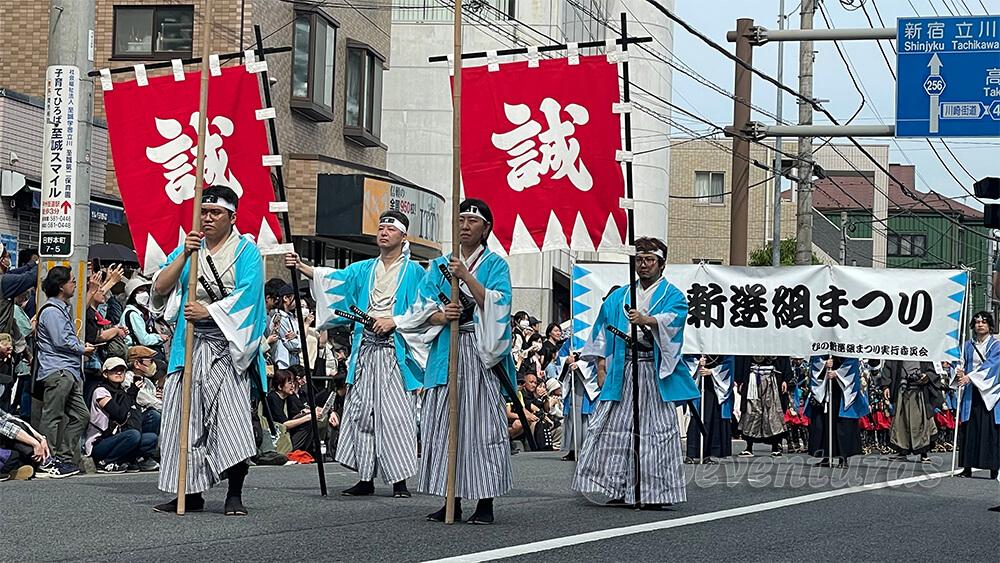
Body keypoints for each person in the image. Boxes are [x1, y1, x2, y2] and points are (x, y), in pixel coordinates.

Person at [288, 209, 426, 498]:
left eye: (390, 228)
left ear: (403, 236)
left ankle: (399, 478)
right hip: (365, 348)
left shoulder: (415, 272)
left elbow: (422, 309)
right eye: (381, 228)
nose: (384, 232)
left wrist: (395, 322)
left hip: (395, 350)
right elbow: (334, 279)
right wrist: (303, 267)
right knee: (363, 412)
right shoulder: (364, 269)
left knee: (395, 415)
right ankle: (365, 477)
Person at [149, 186, 267, 515]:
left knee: (231, 422)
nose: (209, 218)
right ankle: (190, 493)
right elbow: (159, 288)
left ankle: (234, 493)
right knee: (182, 421)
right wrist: (185, 255)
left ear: (232, 217)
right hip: (188, 345)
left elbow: (249, 298)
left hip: (228, 348)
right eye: (204, 212)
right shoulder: (190, 247)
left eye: (216, 213)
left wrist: (211, 312)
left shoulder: (247, 252)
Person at [398, 198, 514, 524]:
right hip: (446, 351)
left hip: (479, 351)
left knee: (481, 427)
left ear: (486, 228)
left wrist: (466, 277)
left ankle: (486, 501)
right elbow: (417, 312)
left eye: (472, 221)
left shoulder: (495, 265)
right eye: (461, 220)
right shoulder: (437, 266)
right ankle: (452, 498)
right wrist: (440, 315)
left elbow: (499, 306)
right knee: (446, 426)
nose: (464, 226)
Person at [572, 237, 699, 509]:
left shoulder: (672, 295)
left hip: (652, 371)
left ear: (661, 265)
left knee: (655, 430)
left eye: (649, 260)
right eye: (639, 260)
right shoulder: (619, 296)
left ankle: (654, 491)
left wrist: (648, 320)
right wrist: (600, 366)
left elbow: (675, 320)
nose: (643, 265)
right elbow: (600, 333)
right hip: (624, 369)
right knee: (616, 429)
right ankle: (617, 487)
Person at [36, 266, 94, 471]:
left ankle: (64, 457)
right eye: (71, 281)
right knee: (52, 416)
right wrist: (82, 349)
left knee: (82, 415)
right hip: (58, 370)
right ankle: (46, 460)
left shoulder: (62, 309)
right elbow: (61, 340)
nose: (75, 284)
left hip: (67, 371)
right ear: (61, 286)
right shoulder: (52, 312)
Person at [84, 357, 159, 473]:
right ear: (105, 373)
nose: (119, 373)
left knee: (151, 435)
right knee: (133, 435)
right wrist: (132, 392)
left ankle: (131, 460)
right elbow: (119, 414)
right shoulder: (100, 391)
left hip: (120, 435)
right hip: (101, 442)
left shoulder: (123, 391)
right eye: (114, 370)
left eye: (122, 370)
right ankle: (106, 462)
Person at [955, 311, 1000, 480]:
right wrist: (959, 372)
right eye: (977, 322)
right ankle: (967, 466)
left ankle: (993, 468)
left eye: (984, 322)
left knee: (990, 429)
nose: (980, 324)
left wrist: (970, 377)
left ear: (990, 325)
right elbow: (961, 362)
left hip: (990, 391)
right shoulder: (967, 345)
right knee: (969, 427)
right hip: (971, 391)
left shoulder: (996, 346)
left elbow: (993, 365)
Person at [807, 356, 870, 468]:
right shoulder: (823, 346)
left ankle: (843, 458)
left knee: (842, 425)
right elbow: (815, 361)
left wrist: (838, 373)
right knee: (825, 424)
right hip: (826, 390)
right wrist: (824, 364)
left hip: (842, 392)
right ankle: (826, 456)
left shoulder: (847, 347)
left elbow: (853, 364)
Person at [880, 360, 945, 463]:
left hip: (920, 391)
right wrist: (885, 386)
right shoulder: (898, 349)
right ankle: (902, 452)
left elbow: (933, 370)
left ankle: (924, 454)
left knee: (922, 423)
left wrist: (927, 376)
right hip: (902, 390)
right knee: (901, 422)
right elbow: (888, 367)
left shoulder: (924, 349)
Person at [684, 354, 736, 464]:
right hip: (698, 383)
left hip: (714, 385)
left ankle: (706, 453)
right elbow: (685, 357)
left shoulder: (723, 345)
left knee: (711, 419)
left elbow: (729, 362)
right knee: (696, 417)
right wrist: (697, 363)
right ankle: (691, 454)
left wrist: (712, 372)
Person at [735, 356, 789, 458]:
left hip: (772, 378)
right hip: (752, 377)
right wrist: (740, 380)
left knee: (772, 413)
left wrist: (785, 379)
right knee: (751, 411)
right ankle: (749, 446)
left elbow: (783, 356)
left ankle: (775, 447)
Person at [266, 369, 321, 452]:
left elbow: (300, 411)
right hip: (277, 436)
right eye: (290, 383)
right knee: (308, 422)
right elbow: (284, 424)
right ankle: (290, 450)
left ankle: (304, 451)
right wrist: (309, 417)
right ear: (280, 386)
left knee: (311, 422)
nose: (293, 386)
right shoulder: (273, 398)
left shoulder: (290, 396)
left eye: (293, 382)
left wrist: (310, 413)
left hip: (287, 432)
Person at [124, 346, 164, 438]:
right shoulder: (127, 379)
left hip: (144, 416)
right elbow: (145, 399)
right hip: (133, 419)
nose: (153, 365)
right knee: (154, 415)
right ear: (137, 363)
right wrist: (164, 407)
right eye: (150, 361)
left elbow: (155, 398)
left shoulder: (148, 382)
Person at [268, 284, 301, 369]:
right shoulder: (279, 317)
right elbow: (291, 345)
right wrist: (297, 339)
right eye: (296, 298)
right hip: (283, 362)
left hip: (294, 358)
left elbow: (300, 339)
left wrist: (296, 336)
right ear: (286, 298)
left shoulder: (292, 317)